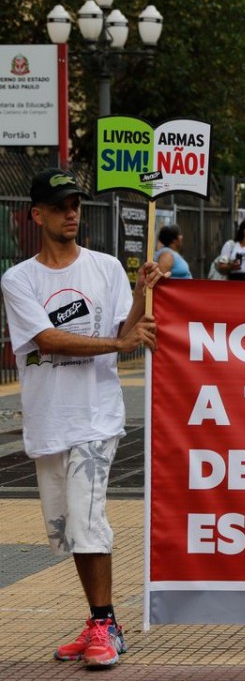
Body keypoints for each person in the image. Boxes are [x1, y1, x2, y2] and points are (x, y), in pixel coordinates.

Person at [1, 168, 162, 668]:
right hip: (49, 421)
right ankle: (97, 621)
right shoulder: (19, 279)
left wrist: (141, 293)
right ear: (37, 215)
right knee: (67, 528)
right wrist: (119, 342)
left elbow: (126, 330)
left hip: (96, 417)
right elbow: (47, 339)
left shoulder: (106, 267)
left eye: (76, 204)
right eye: (60, 206)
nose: (71, 213)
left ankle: (106, 624)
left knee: (87, 519)